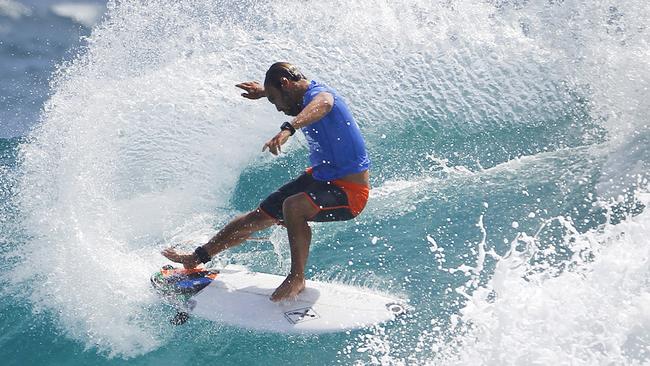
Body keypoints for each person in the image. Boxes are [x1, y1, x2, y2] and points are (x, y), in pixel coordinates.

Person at [162, 62, 371, 301]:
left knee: (293, 206)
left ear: (285, 84)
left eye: (275, 100)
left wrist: (288, 129)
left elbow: (324, 103)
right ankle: (196, 258)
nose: (279, 109)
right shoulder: (298, 93)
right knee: (257, 216)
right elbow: (296, 98)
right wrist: (264, 91)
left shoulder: (319, 96)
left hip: (350, 192)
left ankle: (297, 278)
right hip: (321, 177)